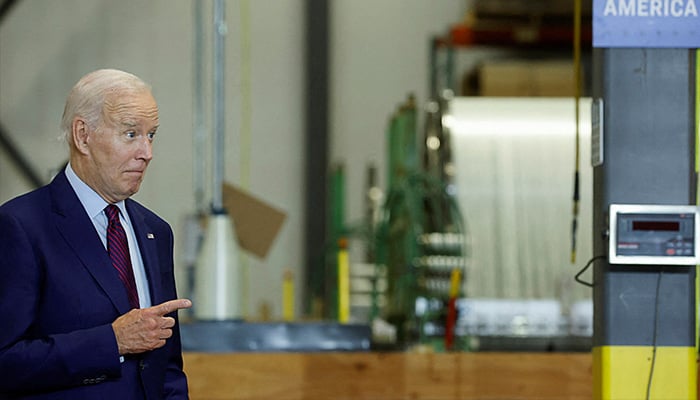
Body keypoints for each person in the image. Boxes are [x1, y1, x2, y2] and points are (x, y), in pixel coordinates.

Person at [0, 69, 192, 399]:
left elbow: (168, 367)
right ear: (83, 135)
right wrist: (111, 342)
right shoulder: (21, 226)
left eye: (151, 135)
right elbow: (4, 362)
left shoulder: (156, 233)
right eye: (131, 134)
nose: (146, 152)